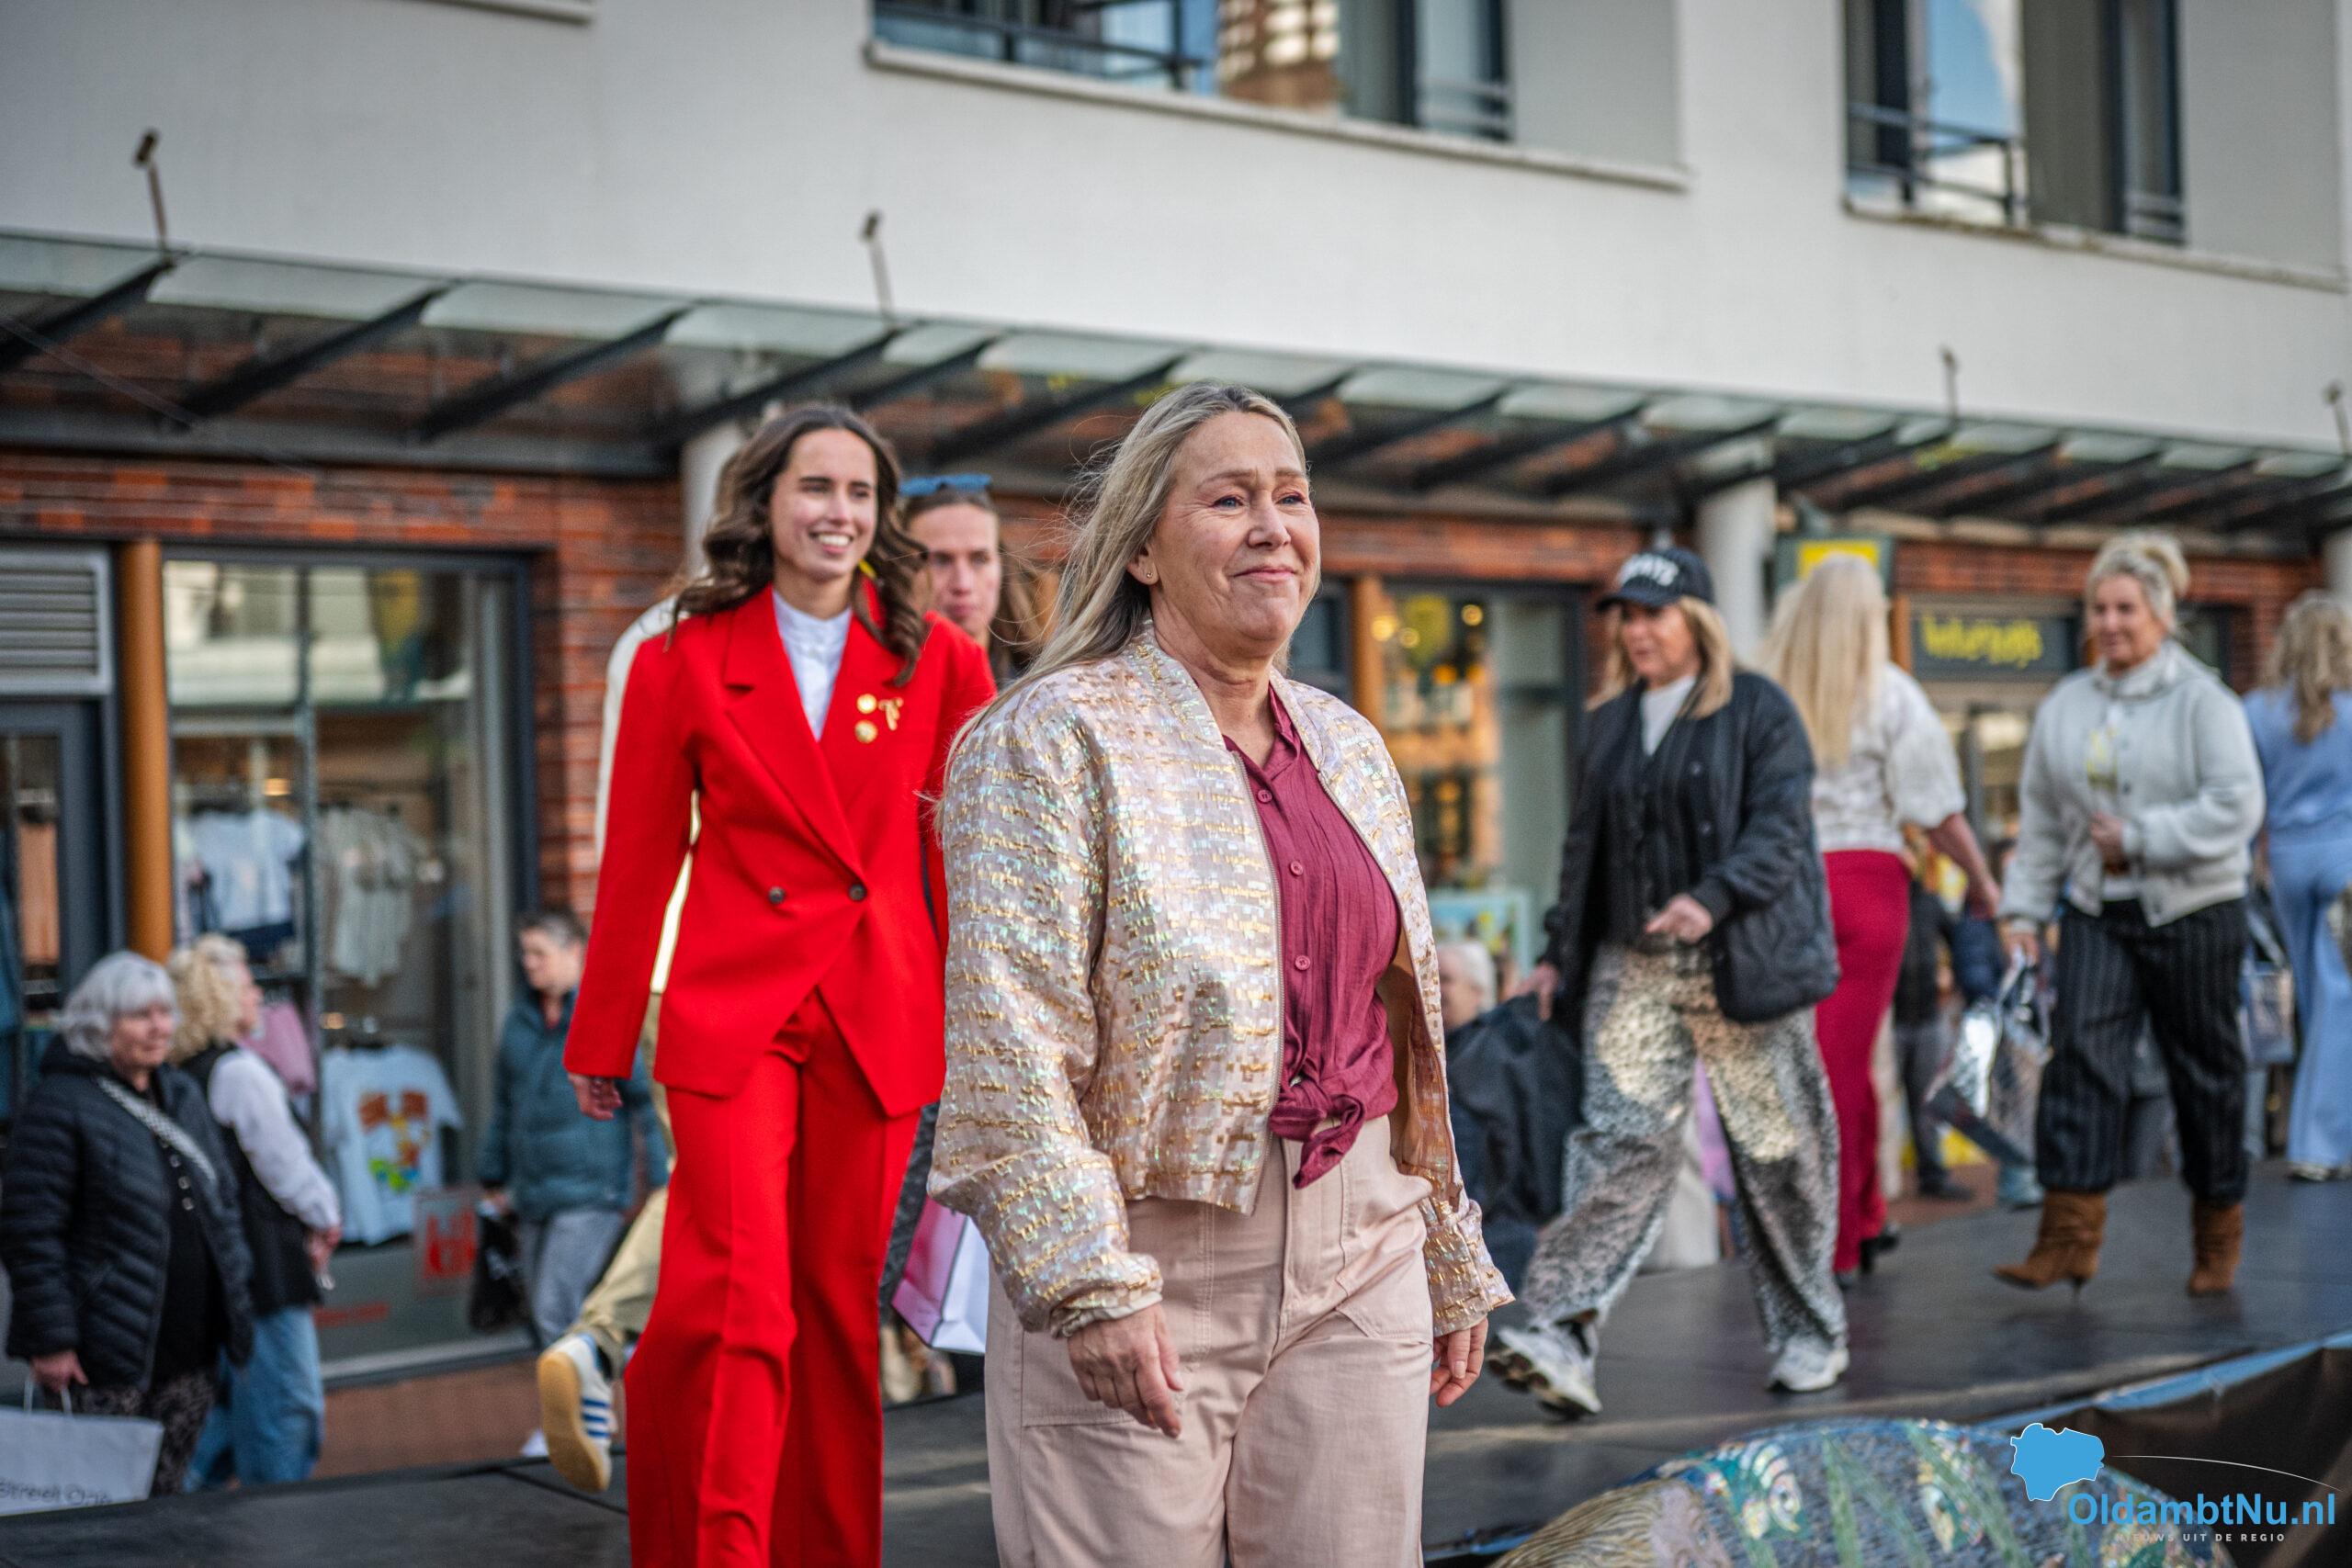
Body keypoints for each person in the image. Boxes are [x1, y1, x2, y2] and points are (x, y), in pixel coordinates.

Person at [932, 382, 1508, 1566]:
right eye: (1229, 499)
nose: (1272, 527)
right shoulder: (1046, 735)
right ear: (1142, 549)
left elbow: (1403, 1027)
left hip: (1364, 1245)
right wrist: (1090, 1282)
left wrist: (1447, 1245)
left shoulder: (1348, 742)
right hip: (1147, 1252)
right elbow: (1010, 1047)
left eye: (1291, 497)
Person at [567, 405, 994, 1567]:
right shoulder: (678, 656)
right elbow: (640, 857)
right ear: (764, 501)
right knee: (740, 1301)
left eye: (859, 493)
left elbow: (963, 866)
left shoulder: (941, 661)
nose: (837, 513)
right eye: (816, 487)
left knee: (835, 1319)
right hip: (735, 1018)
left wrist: (985, 1031)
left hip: (876, 1017)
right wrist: (601, 1036)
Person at [1493, 546, 1847, 1416]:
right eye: (1627, 615)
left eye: (1654, 613)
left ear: (1699, 619)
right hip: (1636, 961)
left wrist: (1711, 897)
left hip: (1739, 959)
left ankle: (1810, 1331)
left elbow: (1781, 828)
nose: (1637, 630)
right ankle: (1563, 1333)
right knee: (1618, 1143)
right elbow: (1583, 849)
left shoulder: (1757, 708)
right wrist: (1558, 953)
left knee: (1778, 1153)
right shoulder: (1611, 721)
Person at [1996, 532, 2264, 1297]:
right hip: (2096, 908)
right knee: (2081, 1058)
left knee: (2204, 1072)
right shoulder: (2066, 704)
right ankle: (2066, 1237)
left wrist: (2144, 836)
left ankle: (2217, 1233)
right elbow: (2043, 821)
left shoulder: (2204, 701)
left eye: (2126, 608)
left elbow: (2238, 805)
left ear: (2162, 615)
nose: (2110, 623)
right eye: (2099, 608)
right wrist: (2022, 910)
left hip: (2195, 908)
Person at [1760, 557, 1997, 1281]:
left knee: (1828, 1061)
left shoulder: (1770, 692)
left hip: (1791, 887)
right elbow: (1936, 808)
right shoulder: (1891, 693)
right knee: (1844, 1064)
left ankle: (1858, 1216)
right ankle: (1839, 1236)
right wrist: (1982, 879)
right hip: (1870, 888)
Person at [0, 953, 254, 1495]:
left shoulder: (180, 1093)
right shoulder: (58, 1104)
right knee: (99, 1509)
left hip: (190, 1352)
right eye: (141, 1016)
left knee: (166, 1498)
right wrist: (51, 1340)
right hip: (103, 1358)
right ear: (100, 1024)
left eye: (165, 1013)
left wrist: (236, 1298)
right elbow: (30, 1233)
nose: (159, 1027)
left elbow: (222, 1202)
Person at [537, 600, 683, 1495]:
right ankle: (601, 1338)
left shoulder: (648, 638)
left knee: (712, 1184)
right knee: (720, 1185)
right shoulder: (718, 638)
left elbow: (619, 843)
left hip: (670, 966)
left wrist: (604, 1021)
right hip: (732, 968)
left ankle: (603, 1343)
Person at [169, 934, 341, 1489]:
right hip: (263, 1265)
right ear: (219, 997)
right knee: (287, 1411)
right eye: (246, 987)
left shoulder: (181, 1074)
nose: (258, 997)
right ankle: (275, 1523)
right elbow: (285, 1167)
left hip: (217, 1267)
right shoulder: (238, 1074)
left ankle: (170, 1513)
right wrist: (326, 1216)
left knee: (223, 1417)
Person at [481, 909, 662, 1350]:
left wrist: (663, 1186)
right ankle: (593, 1391)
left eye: (539, 953)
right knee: (542, 1314)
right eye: (524, 953)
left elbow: (647, 1103)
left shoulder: (605, 1018)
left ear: (573, 951)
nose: (529, 963)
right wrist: (492, 1176)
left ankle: (589, 1394)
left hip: (591, 1192)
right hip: (532, 1193)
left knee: (554, 1311)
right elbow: (504, 1104)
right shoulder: (519, 1020)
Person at [2244, 591, 2352, 1181]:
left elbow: (2245, 797)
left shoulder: (2257, 710)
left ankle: (2329, 1136)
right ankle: (2319, 1144)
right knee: (2341, 995)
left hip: (2286, 862)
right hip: (2346, 862)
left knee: (2316, 998)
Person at [904, 474, 1040, 682]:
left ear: (1001, 564)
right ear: (902, 570)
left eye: (980, 559)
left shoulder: (1038, 686)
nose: (963, 584)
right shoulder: (872, 681)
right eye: (940, 560)